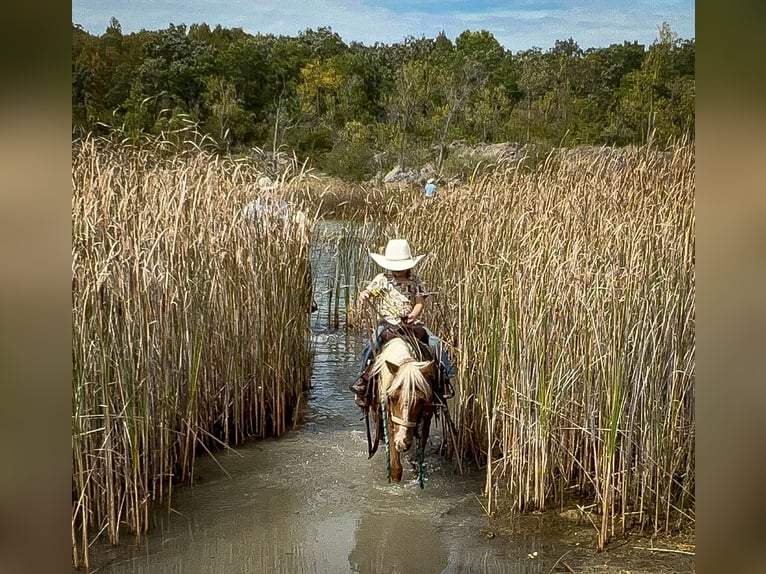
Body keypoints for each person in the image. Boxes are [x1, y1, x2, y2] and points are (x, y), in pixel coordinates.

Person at [349, 238, 455, 409]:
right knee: (372, 345)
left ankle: (445, 378)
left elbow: (420, 302)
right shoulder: (382, 278)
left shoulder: (416, 280)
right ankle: (363, 378)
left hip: (410, 322)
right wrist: (365, 294)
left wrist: (413, 315)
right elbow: (369, 291)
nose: (397, 271)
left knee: (435, 343)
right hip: (388, 322)